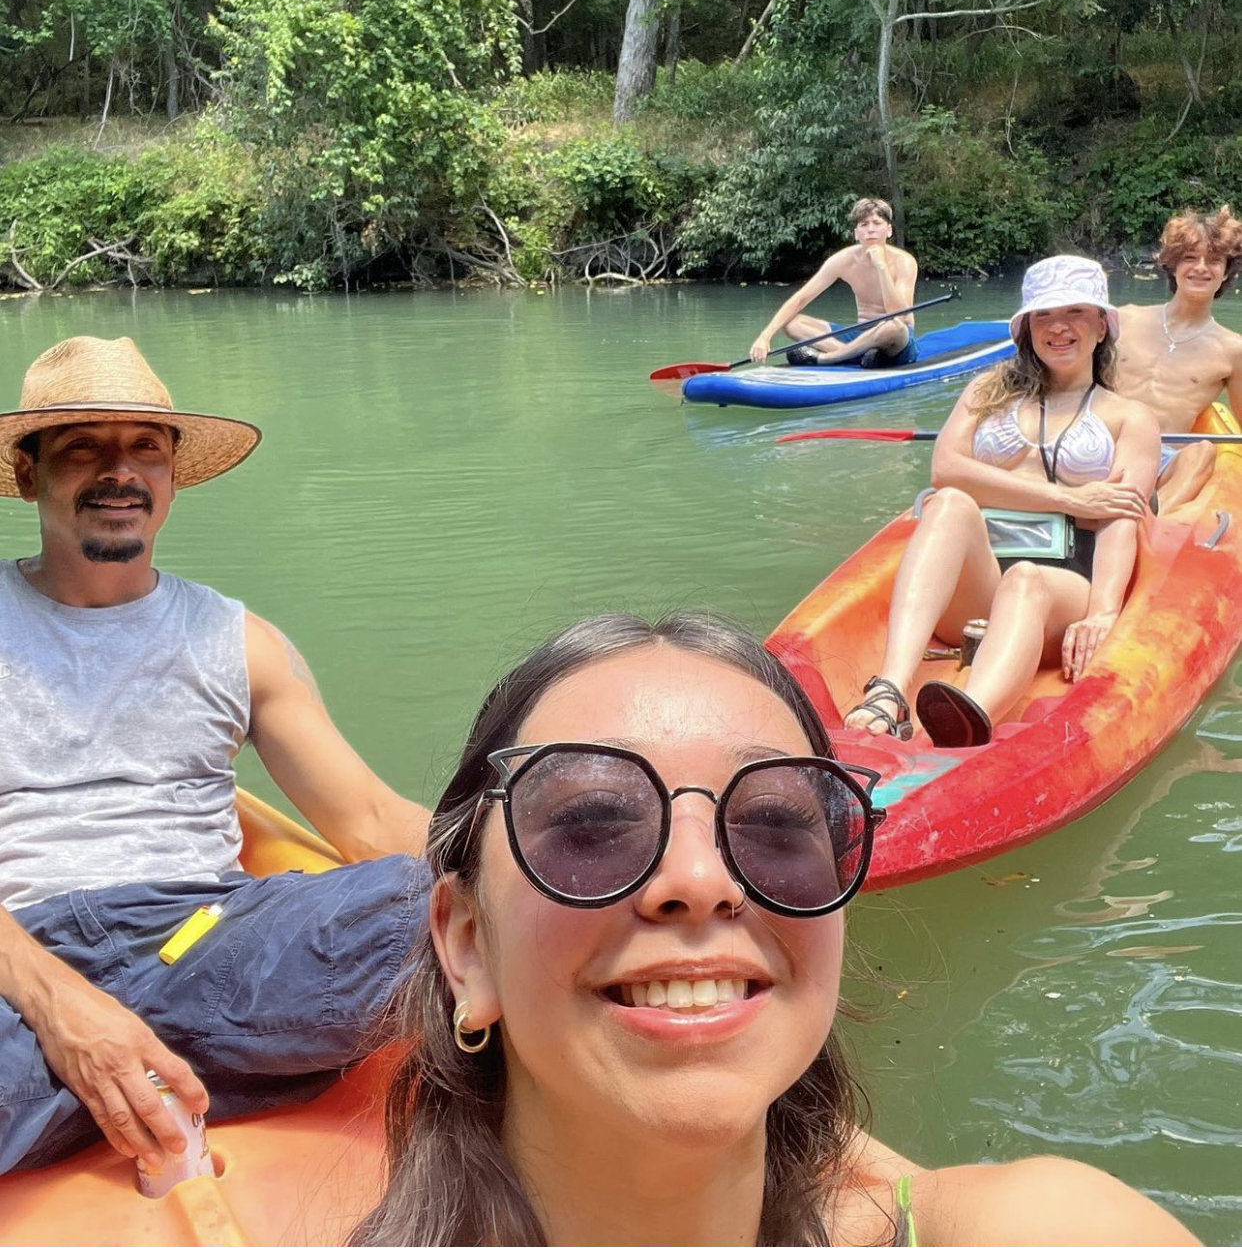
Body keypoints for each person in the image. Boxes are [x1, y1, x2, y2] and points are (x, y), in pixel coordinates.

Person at [348, 610, 1197, 1247]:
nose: (700, 881)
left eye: (774, 823)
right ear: (465, 945)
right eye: (595, 823)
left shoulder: (1038, 1225)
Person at [0, 335, 432, 1175]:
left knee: (429, 901)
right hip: (21, 954)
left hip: (206, 935)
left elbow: (371, 821)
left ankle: (80, 1089)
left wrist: (550, 881)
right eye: (83, 446)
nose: (118, 470)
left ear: (170, 479)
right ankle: (200, 1064)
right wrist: (63, 1007)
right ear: (29, 474)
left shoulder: (237, 639)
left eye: (144, 448)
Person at [843, 256, 1161, 748]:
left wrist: (1102, 614)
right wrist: (1068, 496)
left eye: (1075, 312)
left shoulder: (1129, 418)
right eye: (1043, 316)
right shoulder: (989, 390)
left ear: (1101, 325)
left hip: (1061, 586)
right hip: (978, 581)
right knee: (948, 502)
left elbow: (1119, 515)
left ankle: (973, 715)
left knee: (1025, 579)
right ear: (1026, 328)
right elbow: (946, 469)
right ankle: (890, 689)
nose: (1058, 327)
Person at [1115, 206, 1242, 512]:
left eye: (1213, 261)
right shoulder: (1124, 319)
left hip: (1166, 460)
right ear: (1172, 266)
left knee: (1202, 451)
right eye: (1189, 258)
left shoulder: (1233, 349)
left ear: (1226, 272)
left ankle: (1151, 519)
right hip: (1103, 445)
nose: (1201, 267)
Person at [748, 198, 919, 368]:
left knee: (893, 327)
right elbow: (801, 298)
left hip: (895, 340)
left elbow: (899, 314)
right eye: (864, 224)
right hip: (859, 335)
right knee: (792, 322)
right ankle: (858, 356)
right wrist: (765, 336)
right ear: (856, 233)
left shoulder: (904, 262)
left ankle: (827, 358)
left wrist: (881, 266)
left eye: (877, 223)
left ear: (889, 230)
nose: (871, 230)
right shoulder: (843, 260)